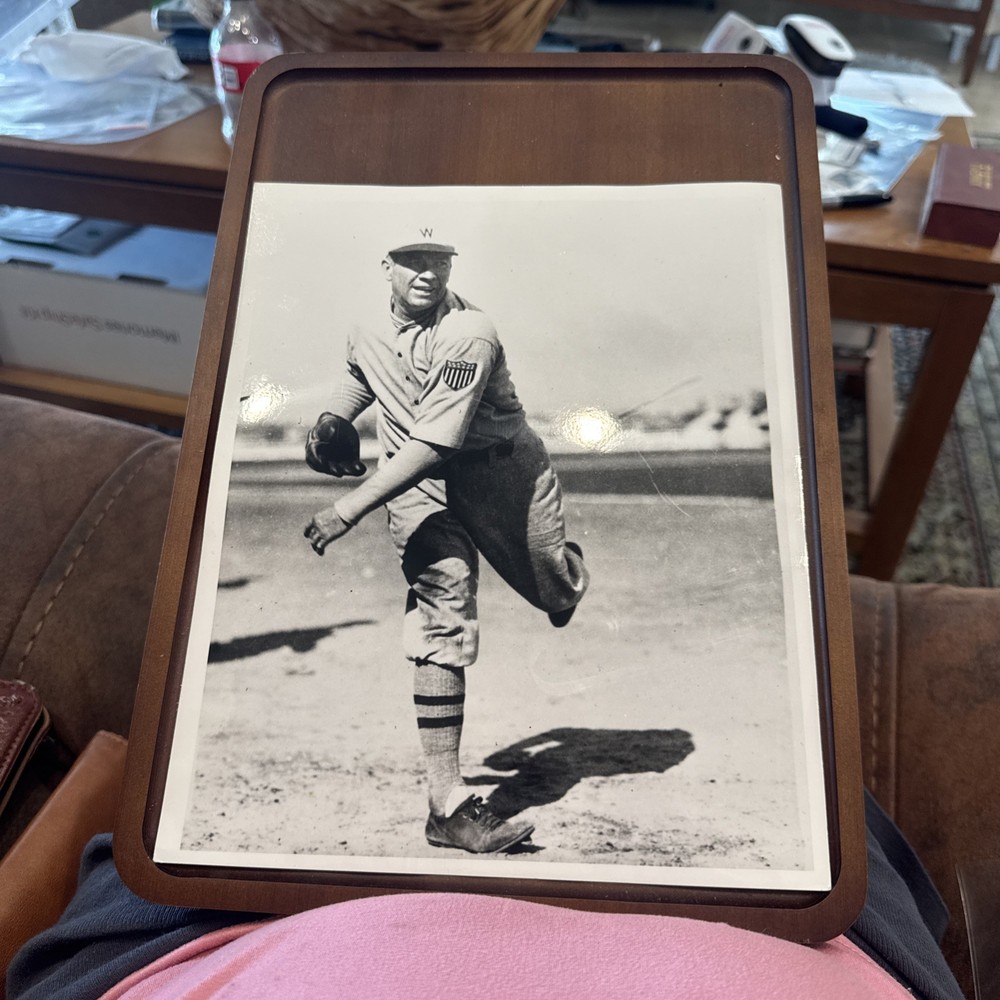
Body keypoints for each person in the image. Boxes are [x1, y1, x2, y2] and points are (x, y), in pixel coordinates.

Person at [302, 229, 590, 854]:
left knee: (551, 582)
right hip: (418, 490)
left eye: (440, 260)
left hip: (501, 472)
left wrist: (346, 509)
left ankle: (561, 582)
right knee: (443, 608)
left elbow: (438, 442)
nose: (428, 272)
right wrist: (334, 418)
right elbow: (359, 375)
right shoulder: (364, 325)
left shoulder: (470, 332)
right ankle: (448, 804)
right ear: (387, 267)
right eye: (413, 260)